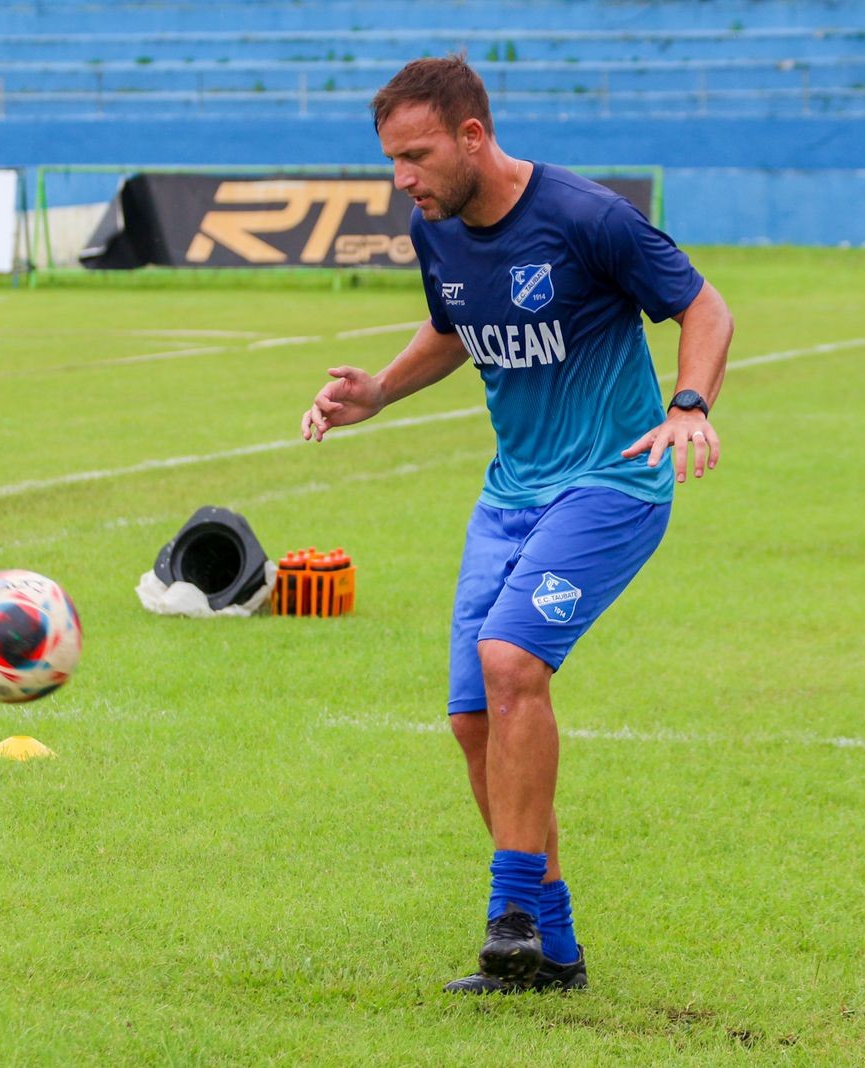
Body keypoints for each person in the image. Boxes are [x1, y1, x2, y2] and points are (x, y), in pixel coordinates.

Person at [300, 55, 733, 994]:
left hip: (612, 485)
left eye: (415, 155)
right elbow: (454, 328)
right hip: (511, 495)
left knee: (510, 663)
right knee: (471, 720)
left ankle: (511, 913)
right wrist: (378, 390)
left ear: (472, 136)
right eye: (391, 161)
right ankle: (553, 955)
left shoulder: (586, 217)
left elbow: (704, 305)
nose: (402, 179)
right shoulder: (438, 231)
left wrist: (689, 403)